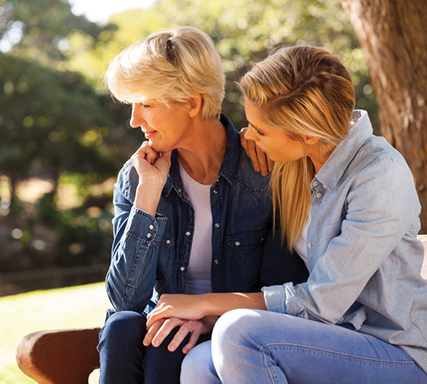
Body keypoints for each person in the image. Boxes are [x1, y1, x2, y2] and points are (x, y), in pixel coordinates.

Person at [145, 45, 427, 383]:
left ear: (307, 133)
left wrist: (206, 304)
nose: (248, 137)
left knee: (238, 331)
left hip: (396, 350)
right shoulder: (300, 162)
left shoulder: (379, 175)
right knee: (199, 363)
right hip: (327, 340)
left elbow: (323, 302)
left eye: (260, 130)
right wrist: (206, 317)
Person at [97, 27, 308, 384]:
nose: (134, 121)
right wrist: (148, 194)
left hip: (237, 330)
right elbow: (125, 301)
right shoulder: (137, 177)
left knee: (169, 346)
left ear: (192, 103)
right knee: (120, 328)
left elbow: (280, 291)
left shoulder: (264, 170)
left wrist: (205, 315)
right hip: (163, 323)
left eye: (146, 104)